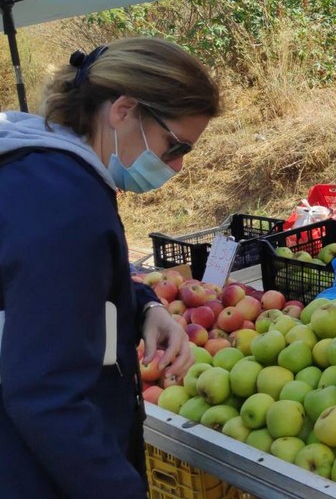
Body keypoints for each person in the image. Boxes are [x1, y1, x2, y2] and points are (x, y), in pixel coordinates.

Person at [0, 37, 222, 497]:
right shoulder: (66, 205)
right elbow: (47, 395)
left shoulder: (39, 173)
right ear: (123, 110)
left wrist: (143, 307)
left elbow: (54, 285)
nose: (177, 166)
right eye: (175, 145)